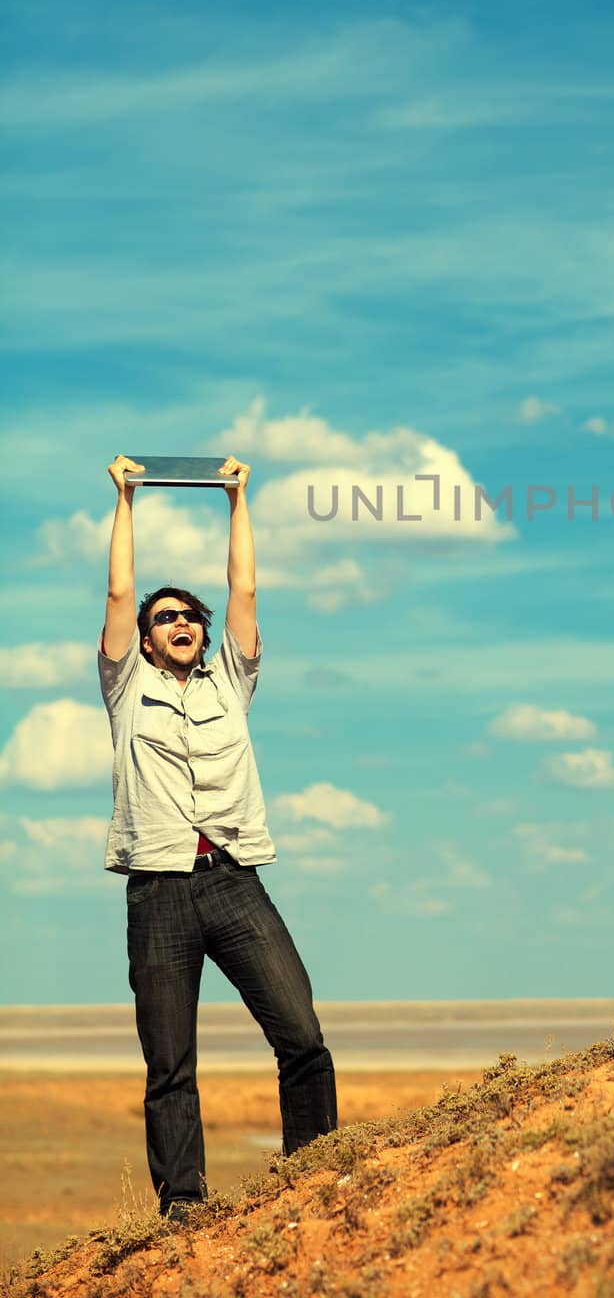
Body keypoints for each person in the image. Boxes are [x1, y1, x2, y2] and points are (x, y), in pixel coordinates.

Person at [98, 453, 337, 1222]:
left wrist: (238, 500)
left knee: (301, 1033)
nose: (181, 624)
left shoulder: (230, 682)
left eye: (188, 617)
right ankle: (184, 1205)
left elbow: (246, 591)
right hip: (158, 892)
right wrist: (126, 501)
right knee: (169, 1063)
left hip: (233, 881)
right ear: (143, 641)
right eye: (165, 618)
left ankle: (314, 1171)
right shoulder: (125, 687)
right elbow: (118, 592)